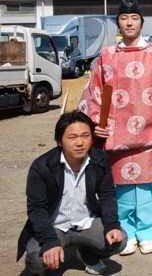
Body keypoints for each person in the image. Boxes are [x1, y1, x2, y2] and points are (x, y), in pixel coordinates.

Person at [78, 0, 152, 256]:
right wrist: (96, 123)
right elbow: (95, 92)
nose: (129, 23)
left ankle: (150, 230)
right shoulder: (107, 55)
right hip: (116, 133)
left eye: (134, 18)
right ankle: (125, 231)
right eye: (124, 18)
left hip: (150, 132)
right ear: (118, 23)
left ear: (142, 22)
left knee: (149, 186)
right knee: (118, 187)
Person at [17, 111, 127, 275]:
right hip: (54, 225)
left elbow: (107, 196)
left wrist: (112, 225)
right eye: (72, 137)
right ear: (59, 141)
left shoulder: (100, 159)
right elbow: (37, 208)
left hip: (86, 222)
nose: (80, 143)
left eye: (85, 136)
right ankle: (46, 262)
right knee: (37, 259)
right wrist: (50, 241)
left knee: (119, 240)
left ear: (92, 138)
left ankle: (87, 256)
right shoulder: (42, 166)